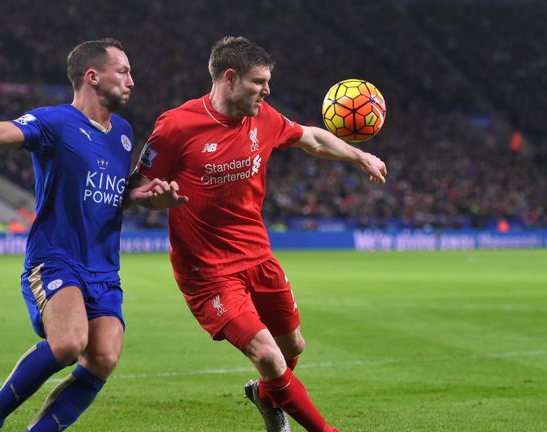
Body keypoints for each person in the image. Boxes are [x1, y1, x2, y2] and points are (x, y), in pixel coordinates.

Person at [132, 36, 387, 432]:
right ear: (229, 78)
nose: (267, 91)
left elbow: (313, 138)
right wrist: (153, 202)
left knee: (292, 348)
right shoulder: (176, 126)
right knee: (269, 357)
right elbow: (135, 190)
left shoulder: (263, 117)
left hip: (258, 257)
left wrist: (360, 155)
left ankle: (266, 397)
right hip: (208, 272)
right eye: (259, 82)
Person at [0, 38, 185, 432]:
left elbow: (110, 197)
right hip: (55, 258)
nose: (131, 81)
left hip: (104, 270)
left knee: (103, 358)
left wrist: (141, 198)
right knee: (70, 343)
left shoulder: (122, 133)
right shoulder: (55, 122)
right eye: (122, 71)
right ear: (92, 76)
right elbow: (2, 132)